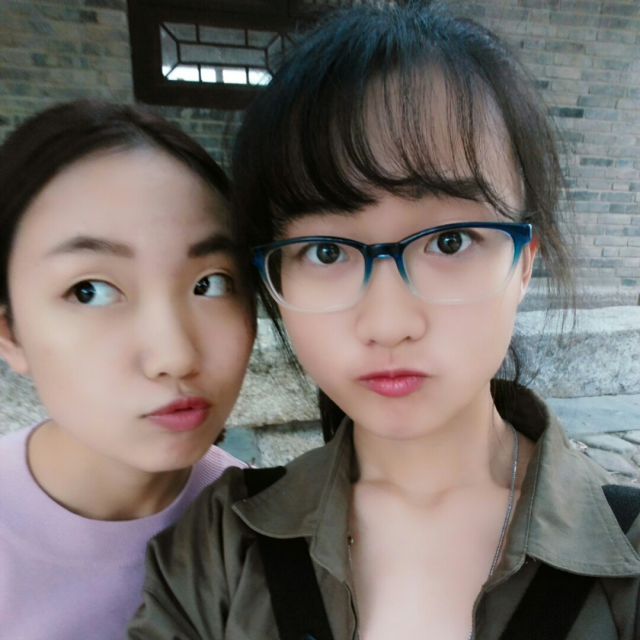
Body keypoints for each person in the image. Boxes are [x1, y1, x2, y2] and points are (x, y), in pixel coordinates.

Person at [129, 2, 640, 639]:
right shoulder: (221, 548)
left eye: (450, 241)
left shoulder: (627, 562)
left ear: (524, 265)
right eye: (326, 252)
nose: (389, 322)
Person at [0, 100, 256, 639]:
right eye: (90, 291)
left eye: (211, 283)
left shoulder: (265, 528)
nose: (175, 356)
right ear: (9, 333)